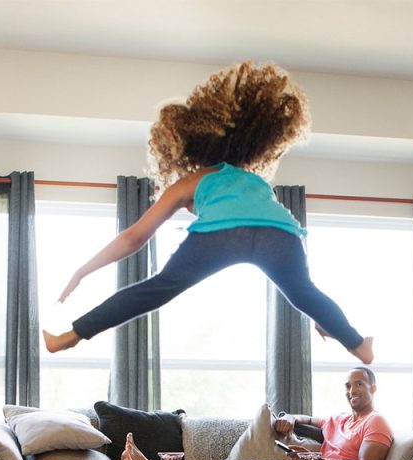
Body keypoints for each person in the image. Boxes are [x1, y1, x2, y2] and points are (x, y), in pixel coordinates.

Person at [43, 61, 374, 365]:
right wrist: (323, 319)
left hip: (222, 235)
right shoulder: (253, 180)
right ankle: (358, 345)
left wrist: (82, 271)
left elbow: (134, 238)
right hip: (282, 232)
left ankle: (68, 338)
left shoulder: (191, 181)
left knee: (159, 287)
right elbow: (286, 262)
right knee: (305, 291)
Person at [120, 367, 392, 460]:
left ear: (374, 388)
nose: (352, 390)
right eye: (348, 385)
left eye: (359, 384)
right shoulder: (341, 418)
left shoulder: (375, 422)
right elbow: (306, 418)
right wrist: (291, 418)